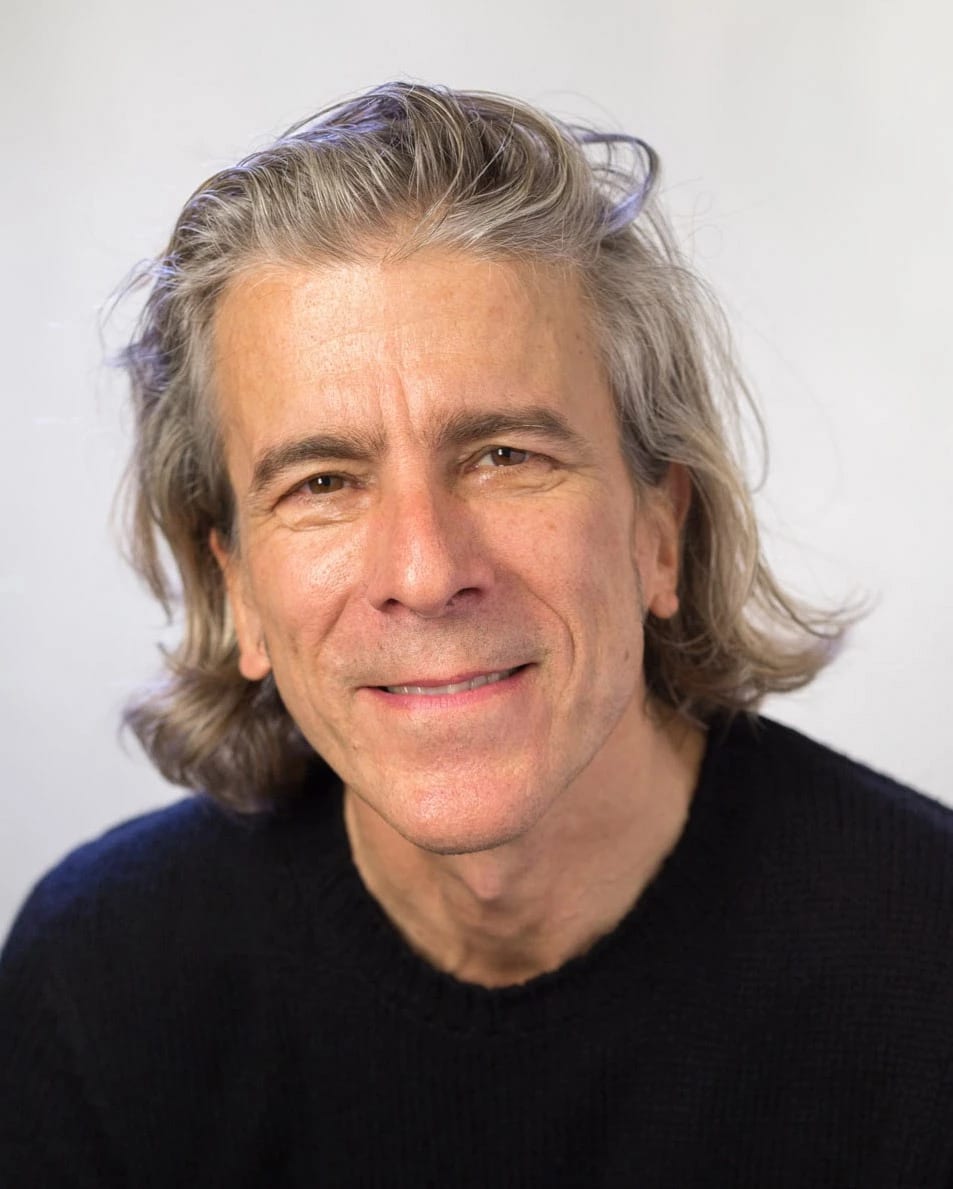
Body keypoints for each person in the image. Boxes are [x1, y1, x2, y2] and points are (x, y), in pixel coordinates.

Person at [2, 81, 952, 1188]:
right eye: (322, 481)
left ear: (659, 528)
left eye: (506, 455)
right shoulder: (101, 985)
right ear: (241, 591)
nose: (425, 569)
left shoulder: (925, 970)